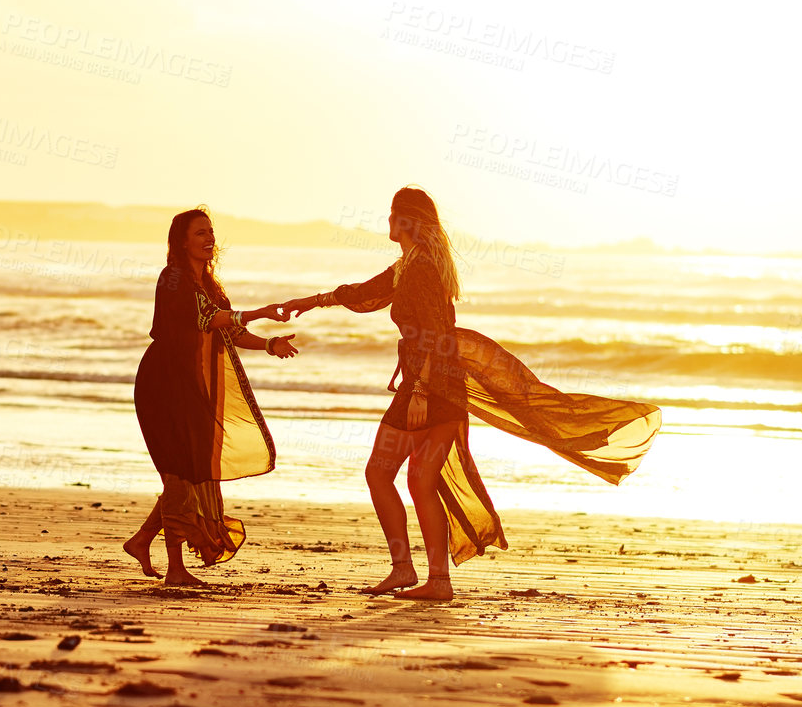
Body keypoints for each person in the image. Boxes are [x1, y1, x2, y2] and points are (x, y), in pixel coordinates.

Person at [275, 187, 660, 600]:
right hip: (440, 384)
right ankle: (434, 580)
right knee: (419, 481)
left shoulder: (421, 269)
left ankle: (407, 569)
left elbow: (435, 334)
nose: (386, 222)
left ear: (407, 220)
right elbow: (364, 294)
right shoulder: (411, 264)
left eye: (392, 215)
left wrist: (420, 389)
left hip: (429, 385)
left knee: (381, 473)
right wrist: (312, 301)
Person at [122, 208, 297, 586]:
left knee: (188, 472)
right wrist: (260, 312)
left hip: (192, 386)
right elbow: (210, 319)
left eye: (211, 232)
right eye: (200, 232)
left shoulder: (212, 285)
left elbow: (227, 331)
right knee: (179, 473)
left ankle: (142, 541)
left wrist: (268, 343)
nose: (208, 238)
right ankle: (175, 570)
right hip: (163, 385)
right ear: (182, 241)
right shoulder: (173, 279)